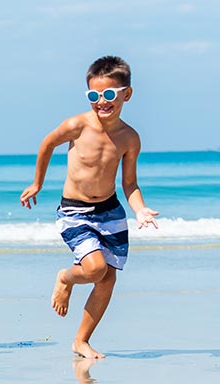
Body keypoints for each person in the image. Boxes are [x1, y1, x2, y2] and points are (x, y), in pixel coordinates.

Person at [19, 55, 160, 359]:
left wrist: (140, 210)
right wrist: (38, 182)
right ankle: (66, 277)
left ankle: (80, 340)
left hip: (110, 212)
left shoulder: (129, 138)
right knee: (95, 269)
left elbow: (129, 184)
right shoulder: (77, 125)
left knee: (108, 279)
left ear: (126, 94)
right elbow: (47, 144)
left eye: (109, 94)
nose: (101, 102)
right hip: (74, 212)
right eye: (94, 96)